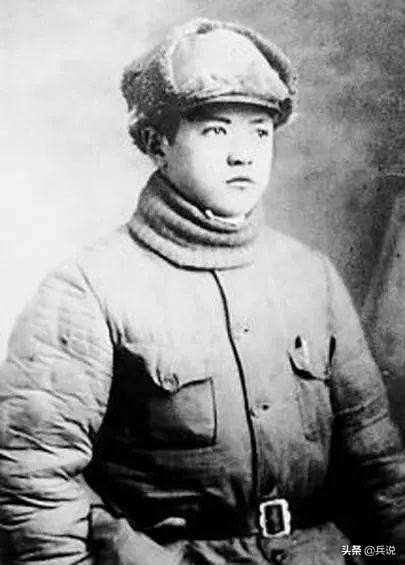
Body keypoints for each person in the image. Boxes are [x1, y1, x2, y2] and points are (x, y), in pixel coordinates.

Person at [0, 17, 404, 565]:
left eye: (259, 132)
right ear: (157, 143)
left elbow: (380, 467)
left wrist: (381, 554)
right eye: (216, 131)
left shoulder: (312, 276)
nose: (244, 154)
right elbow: (33, 484)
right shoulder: (85, 291)